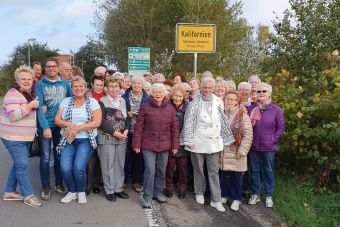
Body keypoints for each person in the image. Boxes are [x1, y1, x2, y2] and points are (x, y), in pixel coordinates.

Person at [181, 77, 234, 212]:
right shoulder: (194, 103)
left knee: (213, 171)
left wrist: (225, 138)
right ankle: (199, 192)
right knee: (198, 168)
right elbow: (189, 122)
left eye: (210, 88)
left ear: (214, 88)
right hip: (198, 141)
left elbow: (223, 121)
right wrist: (189, 140)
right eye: (205, 87)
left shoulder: (218, 101)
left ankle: (216, 200)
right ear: (201, 88)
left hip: (214, 141)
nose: (207, 90)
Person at [55, 76, 102, 204]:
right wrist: (69, 125)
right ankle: (72, 191)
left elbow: (97, 122)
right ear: (72, 88)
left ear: (85, 88)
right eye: (75, 86)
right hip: (68, 139)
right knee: (65, 167)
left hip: (85, 139)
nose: (78, 88)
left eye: (81, 86)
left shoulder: (92, 102)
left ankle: (81, 191)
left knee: (78, 167)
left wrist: (79, 127)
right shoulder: (66, 101)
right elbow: (57, 120)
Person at [0, 66, 42, 207]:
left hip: (24, 137)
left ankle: (9, 192)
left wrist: (39, 108)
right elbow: (13, 115)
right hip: (13, 138)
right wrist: (30, 106)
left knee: (19, 164)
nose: (26, 81)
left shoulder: (27, 94)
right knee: (23, 165)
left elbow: (27, 111)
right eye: (23, 79)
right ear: (17, 80)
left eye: (29, 79)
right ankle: (28, 195)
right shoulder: (13, 94)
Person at [132, 83, 180, 209]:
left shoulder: (170, 108)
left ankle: (157, 193)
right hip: (148, 145)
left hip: (164, 146)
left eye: (160, 92)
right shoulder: (145, 107)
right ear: (151, 94)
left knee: (161, 170)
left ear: (164, 94)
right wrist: (136, 144)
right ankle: (147, 196)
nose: (158, 94)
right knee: (150, 170)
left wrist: (175, 146)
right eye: (155, 92)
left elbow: (175, 129)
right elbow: (139, 127)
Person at [35, 57, 72, 200]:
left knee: (59, 156)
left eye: (54, 66)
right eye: (48, 66)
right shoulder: (40, 84)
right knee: (45, 157)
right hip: (46, 125)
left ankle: (59, 184)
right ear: (46, 68)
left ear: (58, 68)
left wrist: (68, 123)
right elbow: (39, 107)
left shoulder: (65, 84)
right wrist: (45, 127)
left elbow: (70, 103)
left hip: (60, 125)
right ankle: (45, 187)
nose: (51, 69)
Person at [247, 82, 285, 208]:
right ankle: (255, 194)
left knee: (268, 171)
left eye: (264, 91)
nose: (261, 93)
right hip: (254, 146)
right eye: (259, 91)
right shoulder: (251, 109)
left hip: (269, 147)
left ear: (269, 94)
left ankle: (268, 195)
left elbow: (280, 128)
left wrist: (273, 140)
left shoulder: (276, 110)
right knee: (254, 171)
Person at [219, 91, 253, 211]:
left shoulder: (242, 115)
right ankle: (223, 195)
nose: (230, 101)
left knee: (236, 176)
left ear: (237, 101)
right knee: (222, 174)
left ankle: (236, 199)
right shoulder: (220, 113)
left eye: (233, 99)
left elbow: (248, 135)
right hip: (222, 151)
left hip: (236, 151)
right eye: (228, 99)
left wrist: (242, 151)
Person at [98, 77, 130, 202]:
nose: (114, 89)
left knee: (119, 164)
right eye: (111, 86)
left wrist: (126, 129)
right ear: (107, 88)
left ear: (120, 87)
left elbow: (127, 118)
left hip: (122, 137)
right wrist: (114, 132)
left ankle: (118, 188)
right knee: (108, 165)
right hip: (107, 137)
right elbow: (101, 122)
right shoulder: (102, 101)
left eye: (116, 86)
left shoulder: (123, 101)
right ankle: (109, 190)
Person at [122, 75, 149, 193]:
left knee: (139, 158)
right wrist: (126, 114)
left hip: (142, 132)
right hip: (127, 130)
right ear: (131, 84)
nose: (137, 85)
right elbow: (118, 113)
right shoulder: (124, 97)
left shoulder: (148, 98)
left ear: (142, 85)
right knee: (126, 157)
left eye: (139, 83)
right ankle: (123, 180)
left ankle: (137, 180)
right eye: (134, 83)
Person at [165, 85, 189, 199]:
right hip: (169, 140)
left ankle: (182, 187)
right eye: (175, 96)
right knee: (169, 166)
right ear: (172, 95)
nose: (178, 98)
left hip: (183, 140)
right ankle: (169, 187)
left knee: (182, 167)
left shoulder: (189, 107)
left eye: (180, 96)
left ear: (183, 96)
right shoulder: (166, 106)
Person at [86, 74, 106, 195]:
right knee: (90, 158)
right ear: (92, 85)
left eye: (101, 85)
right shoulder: (86, 96)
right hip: (89, 130)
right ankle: (88, 183)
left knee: (99, 158)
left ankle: (96, 183)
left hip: (103, 130)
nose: (99, 87)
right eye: (97, 85)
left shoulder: (107, 96)